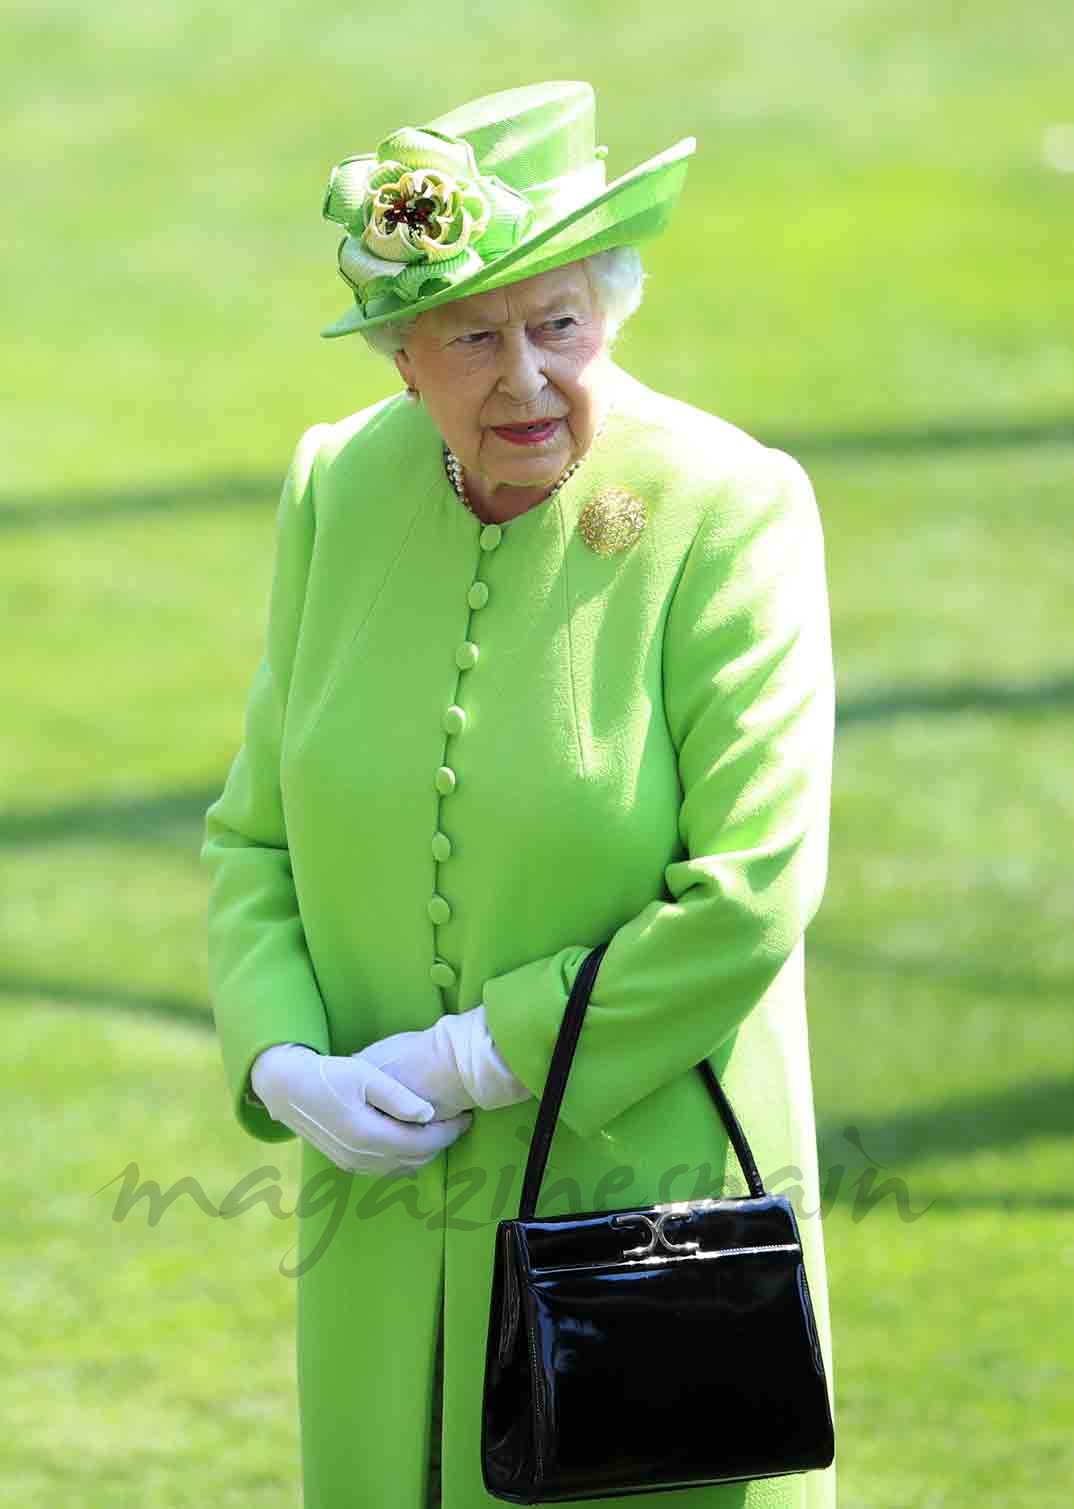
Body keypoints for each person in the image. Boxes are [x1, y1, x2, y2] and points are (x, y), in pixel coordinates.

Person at [200, 80, 837, 1509]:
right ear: (398, 359)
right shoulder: (335, 490)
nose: (526, 381)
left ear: (610, 308)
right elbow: (254, 835)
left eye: (558, 324)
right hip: (376, 1212)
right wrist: (283, 1058)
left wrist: (477, 1054)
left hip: (644, 1243)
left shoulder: (724, 507)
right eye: (472, 337)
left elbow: (752, 889)